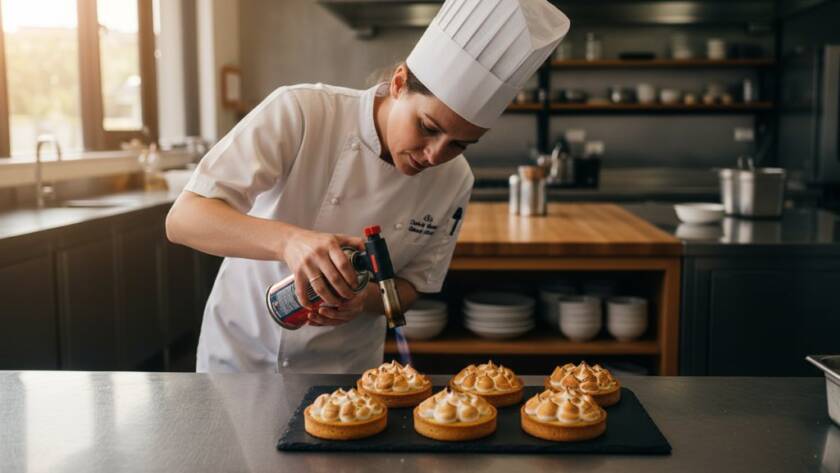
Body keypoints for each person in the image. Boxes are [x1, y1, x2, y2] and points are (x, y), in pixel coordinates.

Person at [165, 0, 570, 373]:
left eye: (460, 144)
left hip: (344, 373)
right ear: (399, 83)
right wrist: (290, 242)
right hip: (240, 357)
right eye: (428, 128)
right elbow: (184, 219)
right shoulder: (302, 112)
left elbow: (412, 284)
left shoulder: (456, 178)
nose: (435, 155)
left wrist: (363, 301)